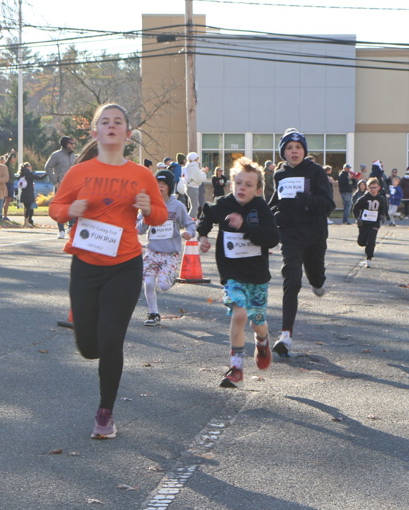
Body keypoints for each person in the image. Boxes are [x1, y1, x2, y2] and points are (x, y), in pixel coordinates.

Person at [48, 103, 168, 440]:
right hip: (86, 266)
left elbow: (160, 215)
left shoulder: (141, 175)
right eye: (105, 122)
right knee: (89, 347)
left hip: (124, 265)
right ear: (95, 132)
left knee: (112, 339)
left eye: (118, 122)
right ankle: (101, 348)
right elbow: (55, 208)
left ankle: (105, 412)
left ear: (128, 134)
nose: (111, 126)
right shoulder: (79, 172)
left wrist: (149, 208)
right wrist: (70, 209)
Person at [197, 157, 280, 389]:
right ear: (232, 183)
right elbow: (206, 216)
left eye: (248, 185)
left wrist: (244, 226)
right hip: (232, 273)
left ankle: (262, 340)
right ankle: (236, 369)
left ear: (258, 190)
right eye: (238, 183)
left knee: (257, 323)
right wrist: (202, 236)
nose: (242, 188)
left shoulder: (261, 209)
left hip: (257, 276)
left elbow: (272, 238)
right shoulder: (224, 204)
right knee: (240, 313)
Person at [267, 128, 335, 357]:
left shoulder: (316, 172)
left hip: (314, 234)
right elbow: (273, 204)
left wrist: (309, 200)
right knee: (292, 280)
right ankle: (286, 336)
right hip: (291, 236)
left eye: (298, 147)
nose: (294, 151)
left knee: (316, 277)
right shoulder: (280, 174)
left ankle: (318, 281)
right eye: (289, 148)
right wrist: (276, 215)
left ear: (304, 150)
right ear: (283, 153)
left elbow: (328, 205)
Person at [138, 169, 196, 326]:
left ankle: (170, 278)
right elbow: (139, 229)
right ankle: (153, 313)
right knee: (149, 283)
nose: (160, 187)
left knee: (163, 285)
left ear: (170, 186)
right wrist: (145, 217)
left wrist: (189, 233)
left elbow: (189, 223)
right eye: (157, 183)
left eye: (164, 184)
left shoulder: (177, 206)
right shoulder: (148, 204)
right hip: (152, 251)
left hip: (170, 252)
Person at [351, 176, 387, 268]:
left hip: (374, 223)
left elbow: (382, 208)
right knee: (361, 242)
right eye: (371, 188)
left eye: (375, 188)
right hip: (364, 223)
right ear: (367, 188)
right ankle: (365, 243)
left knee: (371, 241)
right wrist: (357, 218)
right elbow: (355, 209)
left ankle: (369, 258)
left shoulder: (381, 198)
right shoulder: (363, 198)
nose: (373, 190)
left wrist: (382, 215)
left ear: (378, 188)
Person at [184, 152, 208, 219]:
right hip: (193, 188)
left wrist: (201, 172)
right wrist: (203, 172)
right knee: (195, 206)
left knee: (192, 206)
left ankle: (189, 220)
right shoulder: (194, 167)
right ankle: (189, 220)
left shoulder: (188, 166)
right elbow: (198, 179)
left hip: (189, 187)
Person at [17, 161, 36, 227]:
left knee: (26, 208)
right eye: (29, 166)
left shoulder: (21, 175)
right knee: (28, 208)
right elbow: (39, 178)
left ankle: (26, 221)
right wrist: (47, 173)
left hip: (23, 193)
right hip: (29, 193)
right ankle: (26, 222)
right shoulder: (29, 175)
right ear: (27, 167)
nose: (31, 167)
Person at [1, 151, 16, 223]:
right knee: (6, 200)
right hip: (8, 184)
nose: (14, 159)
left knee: (8, 200)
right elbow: (7, 160)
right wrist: (11, 154)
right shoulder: (6, 165)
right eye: (13, 158)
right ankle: (3, 215)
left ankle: (5, 215)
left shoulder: (11, 166)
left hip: (11, 184)